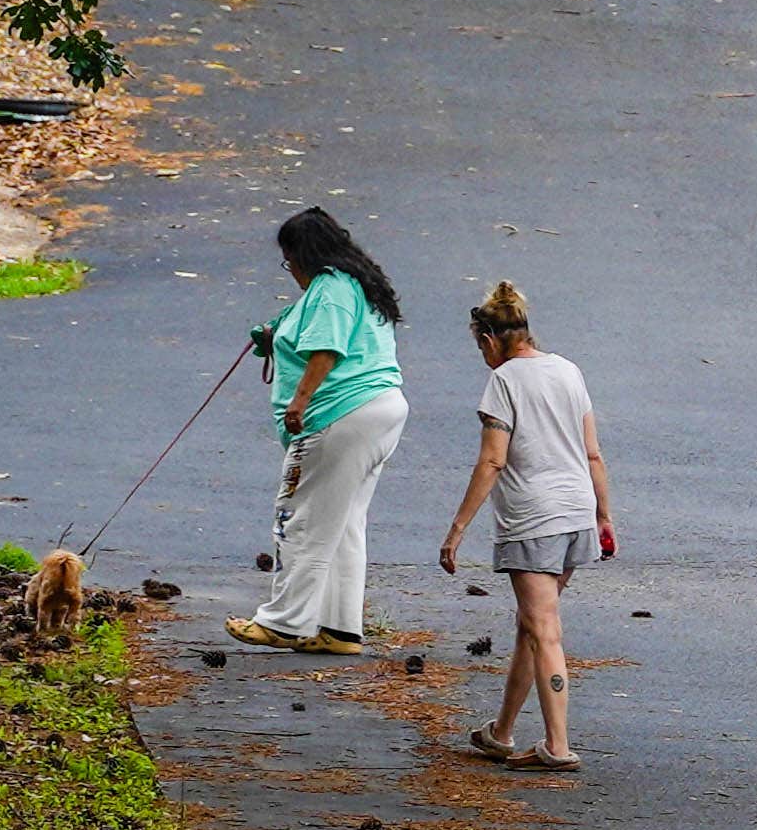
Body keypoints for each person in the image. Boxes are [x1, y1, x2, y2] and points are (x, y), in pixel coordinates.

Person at [430, 284, 613, 768]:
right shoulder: (568, 370)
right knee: (530, 626)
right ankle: (502, 732)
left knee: (544, 628)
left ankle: (557, 747)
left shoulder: (505, 381)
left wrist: (457, 529)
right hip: (575, 513)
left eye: (479, 347)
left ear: (490, 339)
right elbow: (592, 451)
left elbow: (493, 460)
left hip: (534, 520)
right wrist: (603, 514)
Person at [240, 206, 406, 649]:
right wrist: (274, 335)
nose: (289, 267)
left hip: (340, 414)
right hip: (379, 410)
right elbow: (311, 334)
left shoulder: (331, 288)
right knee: (344, 521)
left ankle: (283, 621)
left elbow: (327, 349)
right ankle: (339, 627)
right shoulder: (355, 284)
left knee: (300, 517)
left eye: (288, 258)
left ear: (303, 254)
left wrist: (300, 401)